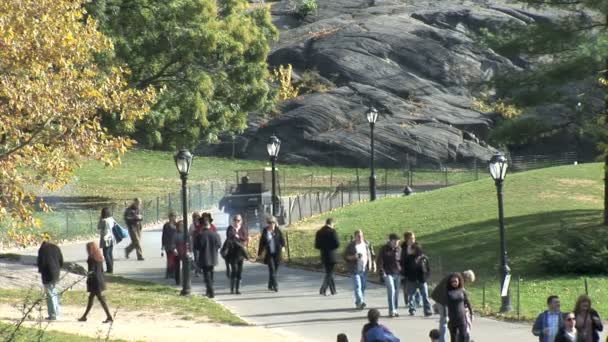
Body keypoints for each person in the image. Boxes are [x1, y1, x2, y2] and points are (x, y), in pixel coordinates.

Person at [431, 270, 475, 342]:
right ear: (467, 278)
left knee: (448, 321)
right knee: (444, 320)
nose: (467, 283)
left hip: (442, 298)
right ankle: (441, 340)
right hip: (441, 299)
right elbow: (446, 293)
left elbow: (460, 293)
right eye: (468, 281)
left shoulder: (457, 278)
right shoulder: (455, 278)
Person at [78, 242, 113, 323]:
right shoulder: (99, 256)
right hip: (100, 279)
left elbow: (91, 270)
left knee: (101, 299)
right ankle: (84, 316)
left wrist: (86, 276)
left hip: (94, 281)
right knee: (92, 299)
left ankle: (109, 316)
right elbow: (101, 270)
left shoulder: (91, 258)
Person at [343, 229, 375, 310]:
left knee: (363, 286)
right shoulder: (351, 246)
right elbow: (345, 256)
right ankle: (360, 302)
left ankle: (359, 303)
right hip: (355, 269)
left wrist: (373, 264)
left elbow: (371, 254)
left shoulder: (367, 243)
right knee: (358, 286)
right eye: (358, 236)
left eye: (361, 236)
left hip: (364, 269)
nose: (360, 237)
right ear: (355, 237)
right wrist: (354, 257)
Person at [402, 243, 432, 317]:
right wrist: (406, 277)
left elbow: (428, 269)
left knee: (425, 295)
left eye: (412, 249)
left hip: (422, 279)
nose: (411, 250)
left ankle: (427, 310)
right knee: (411, 295)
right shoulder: (408, 258)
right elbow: (405, 269)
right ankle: (412, 309)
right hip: (412, 279)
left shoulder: (424, 258)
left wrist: (426, 277)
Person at [37, 240, 64, 320]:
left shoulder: (42, 250)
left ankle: (53, 314)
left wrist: (41, 270)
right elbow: (61, 261)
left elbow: (41, 262)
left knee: (50, 294)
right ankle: (56, 311)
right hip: (56, 272)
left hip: (47, 273)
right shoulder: (56, 247)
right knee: (54, 291)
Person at [195, 217, 221, 298]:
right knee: (211, 274)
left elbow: (197, 247)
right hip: (213, 257)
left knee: (207, 276)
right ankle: (208, 291)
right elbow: (219, 245)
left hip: (204, 258)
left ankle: (211, 292)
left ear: (202, 225)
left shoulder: (200, 235)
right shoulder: (216, 234)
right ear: (210, 225)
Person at [257, 216, 285, 292]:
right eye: (270, 223)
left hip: (277, 254)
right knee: (272, 270)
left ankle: (270, 284)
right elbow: (262, 243)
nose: (271, 224)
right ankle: (276, 285)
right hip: (269, 254)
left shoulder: (278, 230)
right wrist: (259, 253)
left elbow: (282, 240)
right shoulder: (265, 231)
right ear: (267, 223)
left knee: (274, 271)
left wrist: (283, 247)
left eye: (273, 222)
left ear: (275, 223)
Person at [377, 233, 401, 317]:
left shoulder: (398, 249)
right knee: (391, 290)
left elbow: (401, 261)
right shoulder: (384, 249)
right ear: (390, 241)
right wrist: (382, 271)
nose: (396, 243)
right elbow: (379, 261)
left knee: (397, 292)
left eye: (398, 242)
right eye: (395, 241)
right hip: (387, 273)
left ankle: (395, 309)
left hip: (397, 273)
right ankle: (391, 310)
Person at [221, 226, 251, 294]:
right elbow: (223, 251)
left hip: (240, 258)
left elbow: (242, 248)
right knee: (234, 272)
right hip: (233, 259)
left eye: (231, 231)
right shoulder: (227, 241)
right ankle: (232, 289)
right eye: (229, 232)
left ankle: (237, 289)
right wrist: (224, 253)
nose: (230, 233)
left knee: (239, 273)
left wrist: (247, 257)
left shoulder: (237, 239)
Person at [315, 218, 340, 296]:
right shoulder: (332, 232)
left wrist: (323, 247)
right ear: (331, 224)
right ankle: (323, 289)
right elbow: (337, 244)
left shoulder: (319, 232)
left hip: (323, 255)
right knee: (330, 273)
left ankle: (333, 290)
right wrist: (330, 247)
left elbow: (317, 245)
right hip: (331, 255)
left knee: (329, 272)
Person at [446, 273, 472, 342]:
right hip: (452, 318)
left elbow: (468, 302)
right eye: (452, 282)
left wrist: (471, 313)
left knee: (463, 336)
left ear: (459, 281)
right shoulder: (448, 292)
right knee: (453, 338)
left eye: (456, 281)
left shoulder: (462, 291)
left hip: (462, 318)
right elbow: (444, 305)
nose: (454, 283)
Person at [401, 231, 421, 309]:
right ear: (407, 239)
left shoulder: (417, 246)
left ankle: (417, 301)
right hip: (406, 270)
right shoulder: (403, 247)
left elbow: (421, 256)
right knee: (406, 287)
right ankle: (408, 302)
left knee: (417, 287)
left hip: (416, 270)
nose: (413, 240)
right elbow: (401, 259)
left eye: (414, 238)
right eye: (411, 238)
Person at [225, 214, 249, 278]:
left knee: (240, 268)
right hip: (232, 247)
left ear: (241, 221)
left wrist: (238, 236)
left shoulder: (243, 228)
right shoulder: (230, 228)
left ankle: (247, 256)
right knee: (224, 252)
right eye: (235, 220)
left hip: (240, 248)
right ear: (233, 221)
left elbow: (245, 238)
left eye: (238, 220)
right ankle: (228, 268)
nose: (236, 222)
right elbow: (228, 236)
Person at [98, 207, 116, 274]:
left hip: (106, 239)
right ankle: (111, 269)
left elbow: (98, 227)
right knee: (110, 254)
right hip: (112, 237)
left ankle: (109, 269)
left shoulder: (104, 221)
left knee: (106, 254)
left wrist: (100, 219)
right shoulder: (111, 219)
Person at [161, 211, 178, 280]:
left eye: (174, 216)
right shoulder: (166, 225)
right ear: (169, 217)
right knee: (169, 259)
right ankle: (168, 273)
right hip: (168, 244)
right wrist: (162, 245)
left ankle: (172, 273)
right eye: (171, 216)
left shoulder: (177, 225)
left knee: (174, 259)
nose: (172, 218)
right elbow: (163, 235)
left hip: (175, 245)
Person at [173, 220, 188, 286]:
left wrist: (189, 250)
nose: (181, 227)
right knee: (177, 267)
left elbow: (189, 242)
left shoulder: (186, 234)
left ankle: (186, 280)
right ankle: (177, 280)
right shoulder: (175, 234)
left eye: (182, 225)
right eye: (180, 225)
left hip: (184, 250)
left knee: (185, 267)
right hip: (177, 250)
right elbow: (172, 242)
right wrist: (174, 249)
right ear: (177, 226)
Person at [189, 211, 202, 277]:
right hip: (195, 243)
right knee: (196, 257)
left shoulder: (202, 224)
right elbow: (189, 234)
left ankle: (200, 269)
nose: (196, 218)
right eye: (195, 217)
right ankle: (197, 271)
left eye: (197, 217)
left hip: (202, 243)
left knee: (201, 257)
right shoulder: (192, 225)